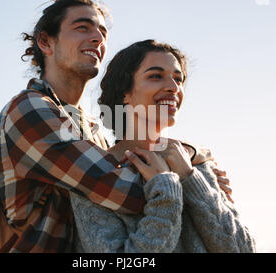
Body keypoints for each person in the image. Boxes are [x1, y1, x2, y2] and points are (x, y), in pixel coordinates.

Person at [0, 0, 154, 253]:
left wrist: (191, 156)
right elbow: (125, 192)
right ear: (45, 42)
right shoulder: (29, 109)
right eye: (83, 28)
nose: (98, 39)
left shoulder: (92, 130)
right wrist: (187, 174)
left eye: (103, 33)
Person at [70, 40, 257, 253]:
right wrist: (166, 192)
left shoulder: (194, 166)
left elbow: (242, 249)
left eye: (178, 79)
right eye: (155, 76)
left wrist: (190, 178)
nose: (174, 88)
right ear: (125, 93)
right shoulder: (97, 173)